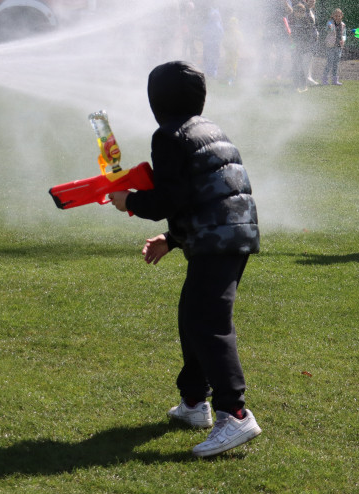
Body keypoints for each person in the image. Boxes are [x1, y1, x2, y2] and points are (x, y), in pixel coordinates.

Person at [107, 60, 262, 458]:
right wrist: (171, 238)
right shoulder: (208, 128)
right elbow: (205, 194)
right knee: (193, 315)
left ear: (156, 100)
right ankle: (195, 402)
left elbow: (170, 199)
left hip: (218, 238)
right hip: (233, 232)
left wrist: (130, 201)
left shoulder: (169, 136)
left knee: (207, 322)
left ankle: (236, 412)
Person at [322, 8, 347, 85]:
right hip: (330, 46)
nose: (337, 17)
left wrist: (343, 40)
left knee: (336, 64)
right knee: (329, 62)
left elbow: (344, 35)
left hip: (339, 47)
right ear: (332, 16)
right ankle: (324, 79)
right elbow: (328, 28)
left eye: (339, 16)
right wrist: (330, 26)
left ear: (342, 16)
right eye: (335, 16)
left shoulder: (343, 25)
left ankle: (334, 80)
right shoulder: (330, 23)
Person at [304, 0, 321, 85]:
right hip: (308, 39)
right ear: (306, 0)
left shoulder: (312, 10)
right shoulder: (305, 10)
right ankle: (306, 77)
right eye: (311, 0)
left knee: (310, 58)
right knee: (307, 58)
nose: (313, 2)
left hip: (313, 39)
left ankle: (308, 77)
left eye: (314, 1)